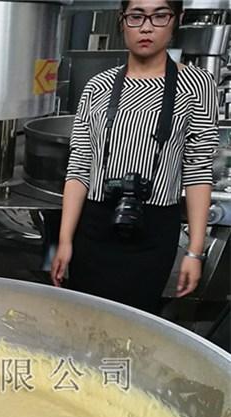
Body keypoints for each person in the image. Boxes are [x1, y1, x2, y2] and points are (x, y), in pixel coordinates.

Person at [51, 1, 219, 314]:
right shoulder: (98, 86)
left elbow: (198, 169)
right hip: (95, 225)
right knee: (83, 319)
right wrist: (65, 240)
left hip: (154, 228)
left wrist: (195, 251)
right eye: (136, 16)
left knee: (136, 323)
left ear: (177, 19)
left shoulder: (197, 85)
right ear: (122, 20)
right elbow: (79, 167)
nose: (146, 27)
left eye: (159, 16)